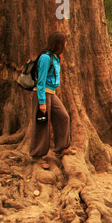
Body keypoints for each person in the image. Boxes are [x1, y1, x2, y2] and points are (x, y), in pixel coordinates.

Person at [30, 31, 74, 169]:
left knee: (63, 117)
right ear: (59, 43)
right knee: (42, 124)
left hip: (52, 94)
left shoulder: (55, 57)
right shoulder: (45, 58)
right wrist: (42, 102)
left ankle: (61, 147)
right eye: (64, 42)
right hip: (42, 94)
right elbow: (41, 81)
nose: (66, 44)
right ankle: (37, 155)